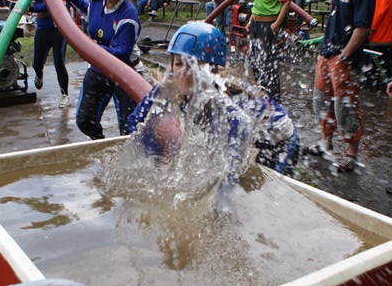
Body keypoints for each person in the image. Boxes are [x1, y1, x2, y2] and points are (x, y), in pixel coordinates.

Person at [127, 22, 299, 178]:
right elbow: (136, 124)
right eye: (179, 63)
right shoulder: (165, 87)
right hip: (245, 133)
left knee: (262, 190)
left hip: (279, 143)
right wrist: (155, 155)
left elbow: (227, 173)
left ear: (212, 70)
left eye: (196, 65)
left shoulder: (227, 107)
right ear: (171, 64)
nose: (185, 73)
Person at [309, 0, 376, 173]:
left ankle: (351, 154)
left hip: (343, 58)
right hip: (326, 53)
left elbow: (362, 28)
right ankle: (326, 144)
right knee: (321, 101)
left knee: (345, 106)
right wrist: (323, 53)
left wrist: (345, 56)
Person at [63, 0, 142, 139]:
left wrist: (93, 49)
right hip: (100, 69)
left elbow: (122, 54)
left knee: (130, 132)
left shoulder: (128, 13)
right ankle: (100, 145)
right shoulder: (97, 3)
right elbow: (85, 7)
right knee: (84, 121)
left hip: (126, 73)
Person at [247, 0, 291, 101]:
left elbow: (286, 2)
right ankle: (261, 92)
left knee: (268, 61)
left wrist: (276, 24)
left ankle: (274, 98)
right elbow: (257, 1)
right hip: (255, 23)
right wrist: (250, 19)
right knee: (254, 59)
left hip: (269, 24)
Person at [29, 0, 70, 108]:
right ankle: (39, 75)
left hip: (57, 28)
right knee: (36, 63)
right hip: (42, 28)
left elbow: (50, 4)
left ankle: (64, 94)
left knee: (59, 63)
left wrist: (33, 9)